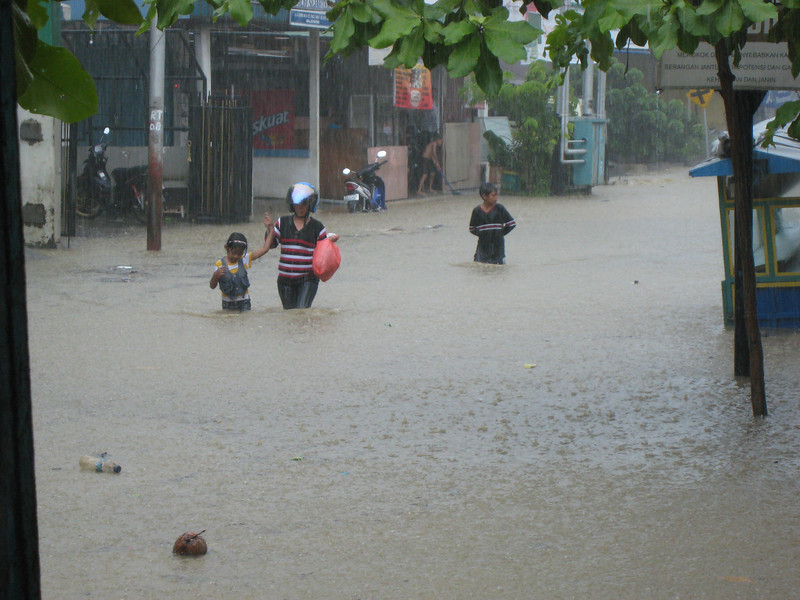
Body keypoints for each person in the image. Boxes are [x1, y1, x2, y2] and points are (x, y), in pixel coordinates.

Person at [267, 182, 339, 309]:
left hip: (308, 279)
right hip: (285, 280)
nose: (300, 207)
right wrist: (270, 229)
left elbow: (323, 253)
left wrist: (329, 243)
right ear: (292, 204)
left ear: (310, 205)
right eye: (297, 204)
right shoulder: (282, 222)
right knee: (290, 315)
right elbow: (271, 244)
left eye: (303, 204)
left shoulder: (318, 227)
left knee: (302, 312)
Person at [210, 221, 273, 311]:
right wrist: (215, 276)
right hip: (227, 303)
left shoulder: (244, 260)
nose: (236, 256)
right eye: (233, 253)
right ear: (226, 248)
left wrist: (271, 230)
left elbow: (265, 249)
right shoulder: (219, 264)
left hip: (244, 302)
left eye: (240, 253)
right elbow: (212, 286)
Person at [469, 182, 516, 264]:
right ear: (484, 196)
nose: (496, 198)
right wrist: (483, 234)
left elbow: (511, 224)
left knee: (498, 270)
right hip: (482, 250)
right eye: (494, 195)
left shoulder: (500, 208)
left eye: (497, 195)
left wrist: (499, 233)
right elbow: (472, 228)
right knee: (480, 268)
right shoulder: (477, 211)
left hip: (498, 250)